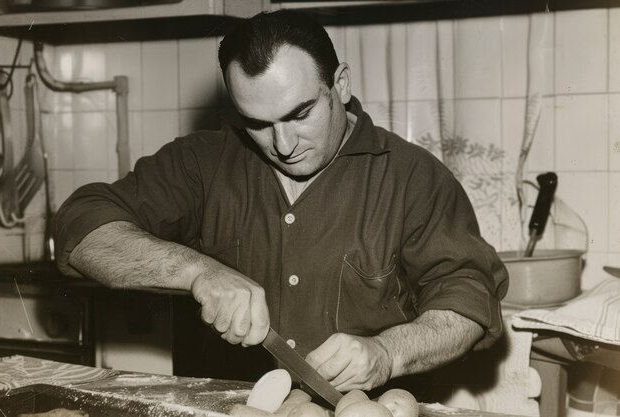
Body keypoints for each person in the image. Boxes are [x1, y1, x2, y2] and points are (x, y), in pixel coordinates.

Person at [54, 9, 508, 393]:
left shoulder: (413, 177)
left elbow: (469, 301)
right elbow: (81, 229)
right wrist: (197, 272)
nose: (284, 143)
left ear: (341, 85)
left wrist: (389, 353)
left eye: (300, 114)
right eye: (258, 123)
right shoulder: (202, 163)